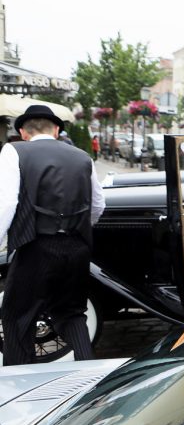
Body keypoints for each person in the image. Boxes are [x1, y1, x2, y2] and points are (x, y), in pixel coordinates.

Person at [0, 105, 105, 365]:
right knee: (72, 314)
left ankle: (21, 386)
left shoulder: (13, 151)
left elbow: (6, 203)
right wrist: (77, 229)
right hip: (77, 247)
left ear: (23, 132)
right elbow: (99, 205)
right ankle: (88, 375)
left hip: (37, 247)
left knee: (16, 318)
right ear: (57, 130)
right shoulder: (82, 156)